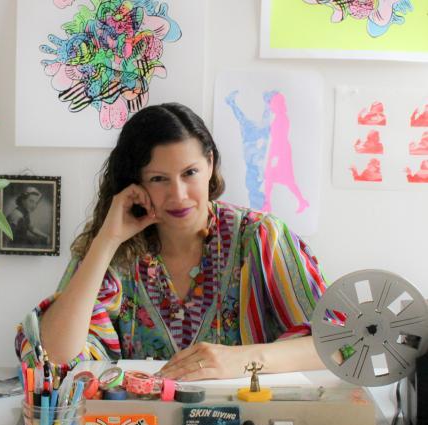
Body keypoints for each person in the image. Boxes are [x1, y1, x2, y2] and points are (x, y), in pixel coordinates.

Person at [16, 103, 326, 381]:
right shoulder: (118, 251)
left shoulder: (260, 237)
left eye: (189, 172)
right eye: (158, 178)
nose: (178, 195)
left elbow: (341, 344)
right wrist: (107, 240)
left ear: (210, 163)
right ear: (135, 183)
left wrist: (243, 360)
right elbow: (53, 358)